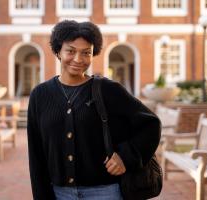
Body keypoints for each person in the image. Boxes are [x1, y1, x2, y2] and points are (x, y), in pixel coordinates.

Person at [27, 20, 161, 200]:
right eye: (71, 51)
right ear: (58, 51)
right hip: (59, 194)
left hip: (106, 192)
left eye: (86, 53)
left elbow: (151, 124)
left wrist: (126, 156)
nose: (78, 59)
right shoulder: (40, 95)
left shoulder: (108, 90)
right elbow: (36, 154)